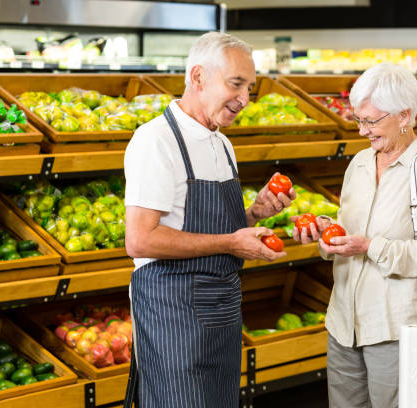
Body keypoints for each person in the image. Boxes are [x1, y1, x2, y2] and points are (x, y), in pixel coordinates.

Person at [123, 32, 295, 408]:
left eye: (250, 88)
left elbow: (206, 225)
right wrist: (231, 243)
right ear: (198, 77)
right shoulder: (156, 141)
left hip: (222, 310)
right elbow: (140, 240)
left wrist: (252, 215)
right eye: (236, 84)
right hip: (173, 314)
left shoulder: (221, 142)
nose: (245, 99)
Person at [293, 63, 417, 408]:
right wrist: (327, 233)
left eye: (371, 121)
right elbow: (347, 228)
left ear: (403, 116)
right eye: (358, 120)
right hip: (344, 322)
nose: (361, 131)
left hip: (395, 326)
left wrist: (370, 247)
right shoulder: (359, 163)